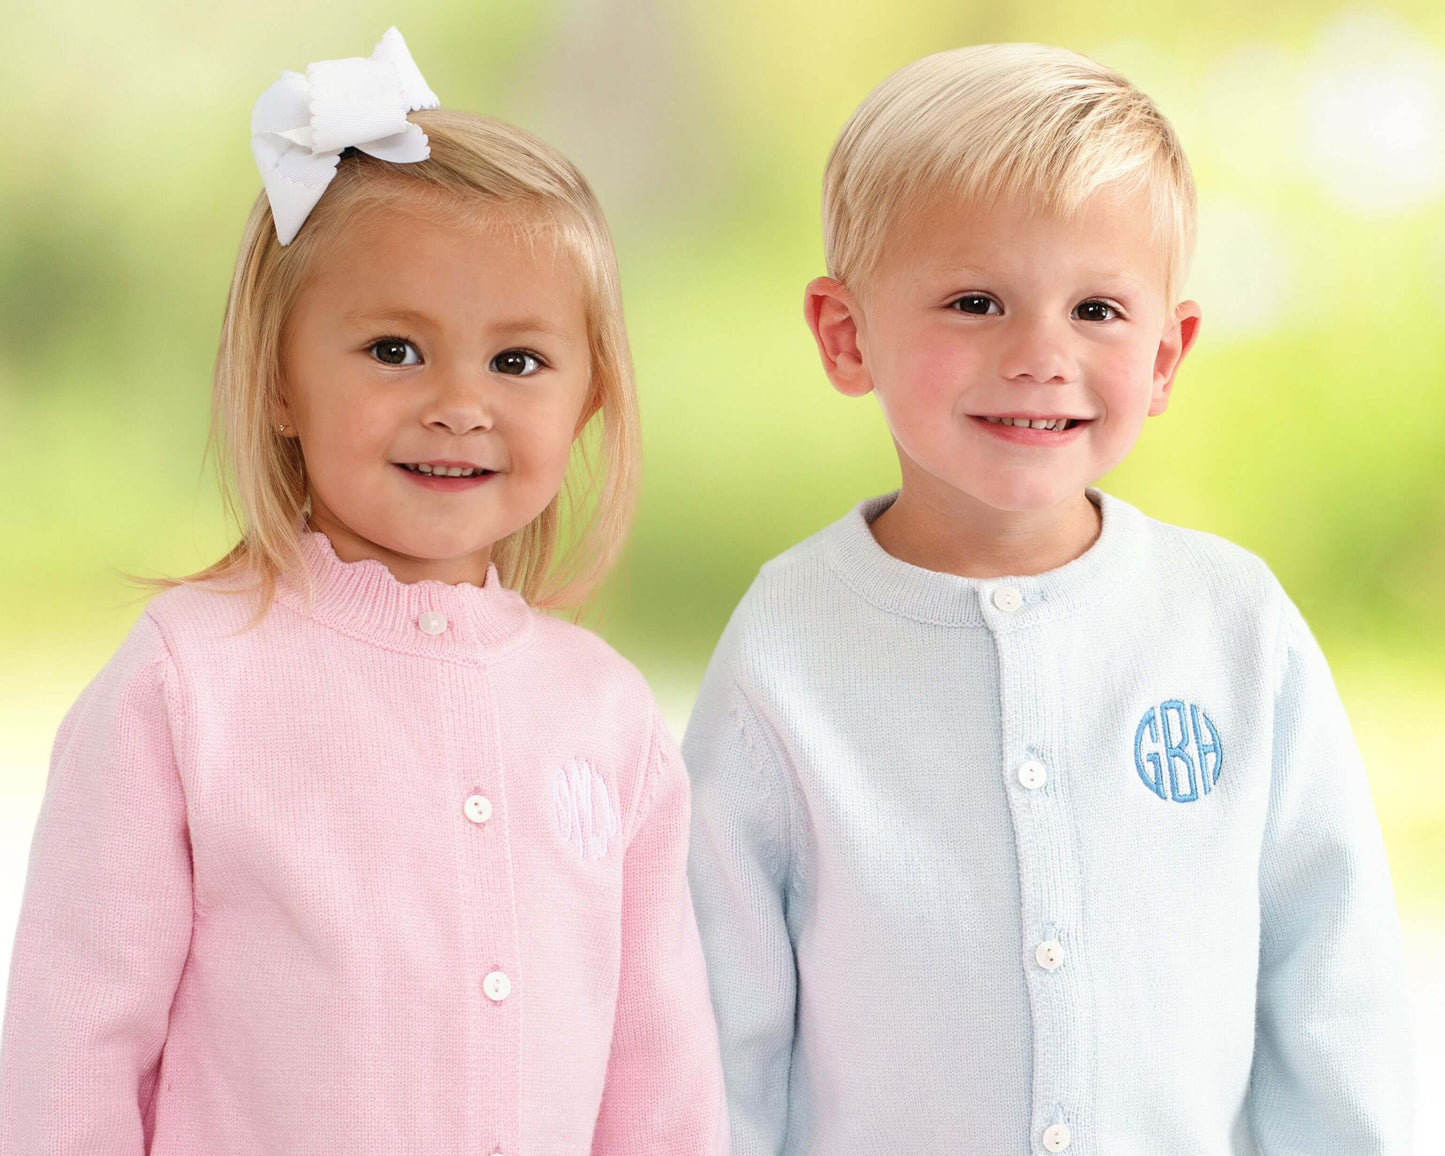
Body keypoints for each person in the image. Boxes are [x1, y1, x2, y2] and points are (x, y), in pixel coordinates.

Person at [0, 28, 727, 1154]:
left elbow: (660, 1075)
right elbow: (72, 1046)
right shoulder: (190, 681)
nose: (457, 403)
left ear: (588, 401)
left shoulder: (608, 713)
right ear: (281, 381)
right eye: (394, 349)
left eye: (517, 361)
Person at [683, 42, 1412, 1154]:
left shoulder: (1231, 625)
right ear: (845, 334)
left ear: (1167, 355)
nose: (1039, 353)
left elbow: (1330, 986)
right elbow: (721, 1022)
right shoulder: (790, 643)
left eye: (1097, 310)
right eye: (975, 301)